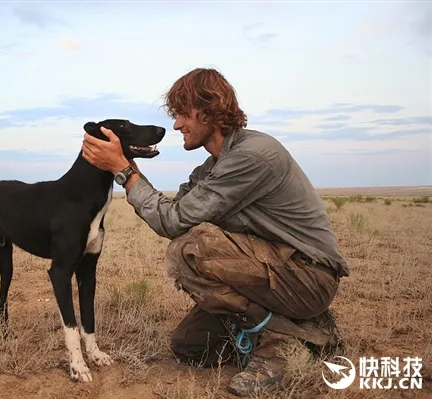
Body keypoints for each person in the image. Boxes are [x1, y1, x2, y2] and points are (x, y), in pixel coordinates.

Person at [81, 67, 349, 396]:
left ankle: (278, 346)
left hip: (308, 278)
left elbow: (173, 223)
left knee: (190, 248)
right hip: (271, 273)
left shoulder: (251, 156)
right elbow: (172, 211)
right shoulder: (213, 166)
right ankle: (311, 333)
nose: (177, 124)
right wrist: (127, 165)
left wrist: (123, 171)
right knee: (190, 346)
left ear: (209, 111)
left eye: (182, 114)